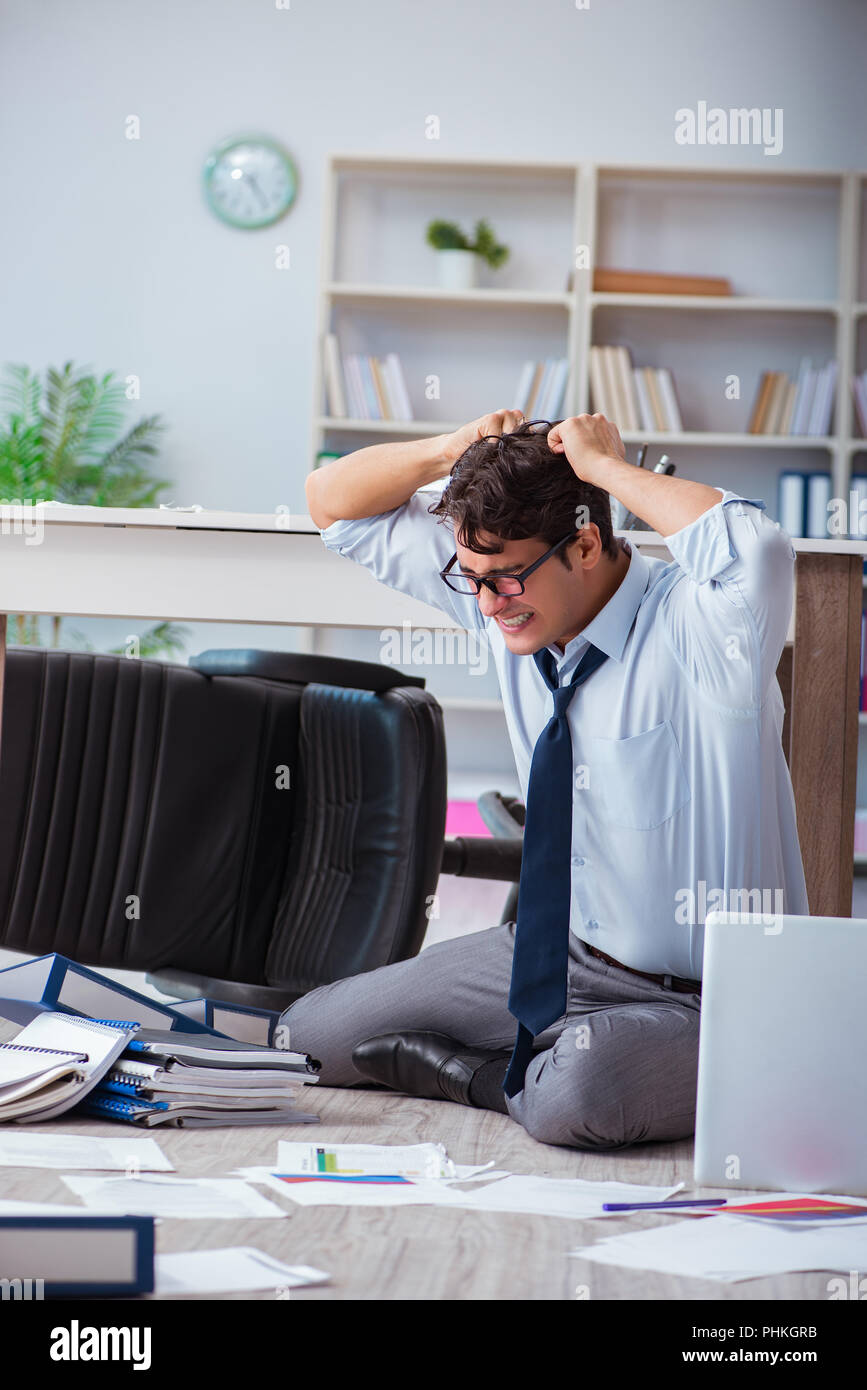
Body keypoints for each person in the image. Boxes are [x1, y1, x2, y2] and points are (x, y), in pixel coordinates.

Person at [278, 410, 807, 1150]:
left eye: (506, 580)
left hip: (714, 997)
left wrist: (603, 470)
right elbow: (329, 502)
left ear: (585, 542)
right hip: (568, 958)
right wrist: (449, 448)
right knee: (307, 1035)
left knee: (582, 1096)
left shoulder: (704, 630)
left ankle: (482, 1076)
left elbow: (759, 547)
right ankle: (533, 1062)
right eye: (472, 581)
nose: (490, 605)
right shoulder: (506, 603)